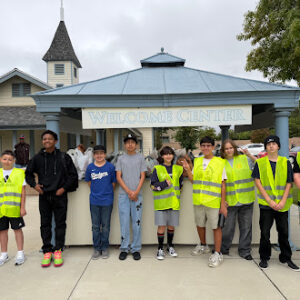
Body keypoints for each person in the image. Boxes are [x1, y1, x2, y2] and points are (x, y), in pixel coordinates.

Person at [25, 130, 78, 268]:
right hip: (44, 196)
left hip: (59, 196)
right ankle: (47, 251)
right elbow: (28, 174)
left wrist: (63, 188)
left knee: (60, 224)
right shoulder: (37, 158)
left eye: (49, 139)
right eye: (44, 139)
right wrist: (35, 185)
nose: (46, 141)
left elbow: (73, 176)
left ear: (55, 141)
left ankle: (58, 250)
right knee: (45, 224)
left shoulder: (63, 157)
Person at [252, 135, 299, 271]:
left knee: (283, 232)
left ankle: (286, 258)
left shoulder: (285, 162)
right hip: (266, 204)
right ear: (266, 147)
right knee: (265, 233)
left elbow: (289, 183)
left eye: (274, 144)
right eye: (268, 144)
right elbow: (258, 182)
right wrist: (269, 200)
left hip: (282, 204)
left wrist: (282, 201)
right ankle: (264, 257)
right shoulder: (260, 163)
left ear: (278, 146)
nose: (271, 146)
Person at [184, 136, 227, 268]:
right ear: (200, 147)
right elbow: (193, 180)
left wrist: (223, 204)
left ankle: (218, 253)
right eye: (203, 145)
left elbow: (223, 184)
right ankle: (203, 245)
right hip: (198, 200)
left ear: (213, 147)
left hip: (214, 201)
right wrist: (187, 169)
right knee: (200, 224)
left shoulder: (220, 162)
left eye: (209, 145)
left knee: (216, 227)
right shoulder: (197, 161)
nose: (206, 148)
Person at [220, 139, 256, 260]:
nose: (229, 150)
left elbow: (261, 165)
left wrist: (250, 155)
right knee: (227, 228)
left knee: (246, 227)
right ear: (223, 151)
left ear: (234, 148)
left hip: (246, 200)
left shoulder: (245, 159)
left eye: (231, 148)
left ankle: (245, 251)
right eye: (226, 148)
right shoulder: (220, 163)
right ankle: (223, 249)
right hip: (230, 201)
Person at [116, 133, 147, 261]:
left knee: (136, 223)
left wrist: (135, 192)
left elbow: (143, 176)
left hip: (137, 195)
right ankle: (124, 248)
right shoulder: (121, 158)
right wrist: (129, 192)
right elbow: (118, 176)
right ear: (125, 144)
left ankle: (135, 248)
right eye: (127, 142)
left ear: (136, 144)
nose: (130, 144)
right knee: (124, 223)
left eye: (132, 142)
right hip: (124, 195)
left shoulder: (141, 158)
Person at [150, 146, 184, 260]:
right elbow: (153, 186)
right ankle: (160, 248)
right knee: (161, 227)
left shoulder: (178, 169)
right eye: (165, 154)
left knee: (171, 227)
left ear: (173, 155)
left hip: (174, 203)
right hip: (161, 204)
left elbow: (180, 185)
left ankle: (170, 246)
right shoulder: (157, 168)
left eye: (170, 153)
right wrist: (164, 184)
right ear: (162, 156)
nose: (168, 156)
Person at [85, 145, 116, 259]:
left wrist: (105, 192)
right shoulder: (90, 167)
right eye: (96, 153)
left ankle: (104, 247)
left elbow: (113, 183)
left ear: (105, 154)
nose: (99, 155)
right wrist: (96, 192)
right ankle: (96, 248)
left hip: (107, 200)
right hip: (94, 200)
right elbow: (89, 182)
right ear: (93, 155)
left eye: (101, 153)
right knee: (95, 226)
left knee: (106, 226)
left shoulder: (110, 167)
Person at [0, 150, 26, 266]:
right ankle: (4, 254)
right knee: (2, 231)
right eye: (5, 159)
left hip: (15, 208)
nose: (7, 161)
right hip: (1, 210)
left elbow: (23, 191)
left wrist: (22, 207)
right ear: (1, 159)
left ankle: (20, 253)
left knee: (17, 230)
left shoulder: (19, 173)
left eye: (10, 159)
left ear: (14, 161)